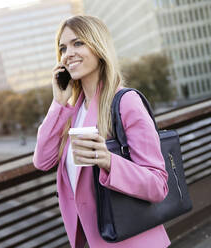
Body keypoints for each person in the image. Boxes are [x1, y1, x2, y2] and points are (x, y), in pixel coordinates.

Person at [33, 15, 170, 248]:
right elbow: (42, 161)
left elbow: (158, 185)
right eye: (62, 48)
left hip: (135, 242)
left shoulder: (127, 102)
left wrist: (108, 161)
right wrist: (58, 103)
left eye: (78, 43)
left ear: (98, 47)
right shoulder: (71, 113)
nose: (68, 53)